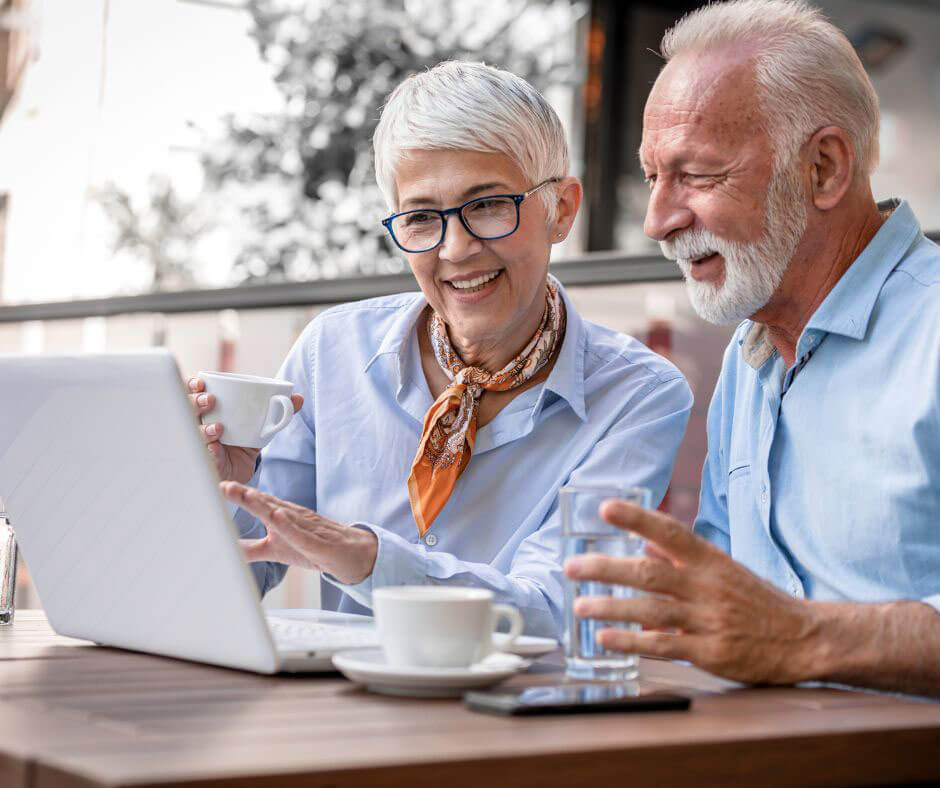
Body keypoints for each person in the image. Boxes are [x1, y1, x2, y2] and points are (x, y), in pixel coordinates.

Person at [191, 61, 692, 638]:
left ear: (562, 209)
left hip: (521, 720)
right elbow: (232, 580)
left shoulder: (638, 396)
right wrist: (216, 493)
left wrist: (371, 561)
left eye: (487, 206)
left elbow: (559, 612)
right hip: (348, 715)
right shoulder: (332, 353)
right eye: (423, 217)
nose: (456, 249)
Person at [565, 0, 940, 696]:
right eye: (654, 177)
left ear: (824, 168)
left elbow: (774, 635)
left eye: (699, 177)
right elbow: (726, 604)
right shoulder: (750, 352)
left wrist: (800, 638)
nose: (657, 221)